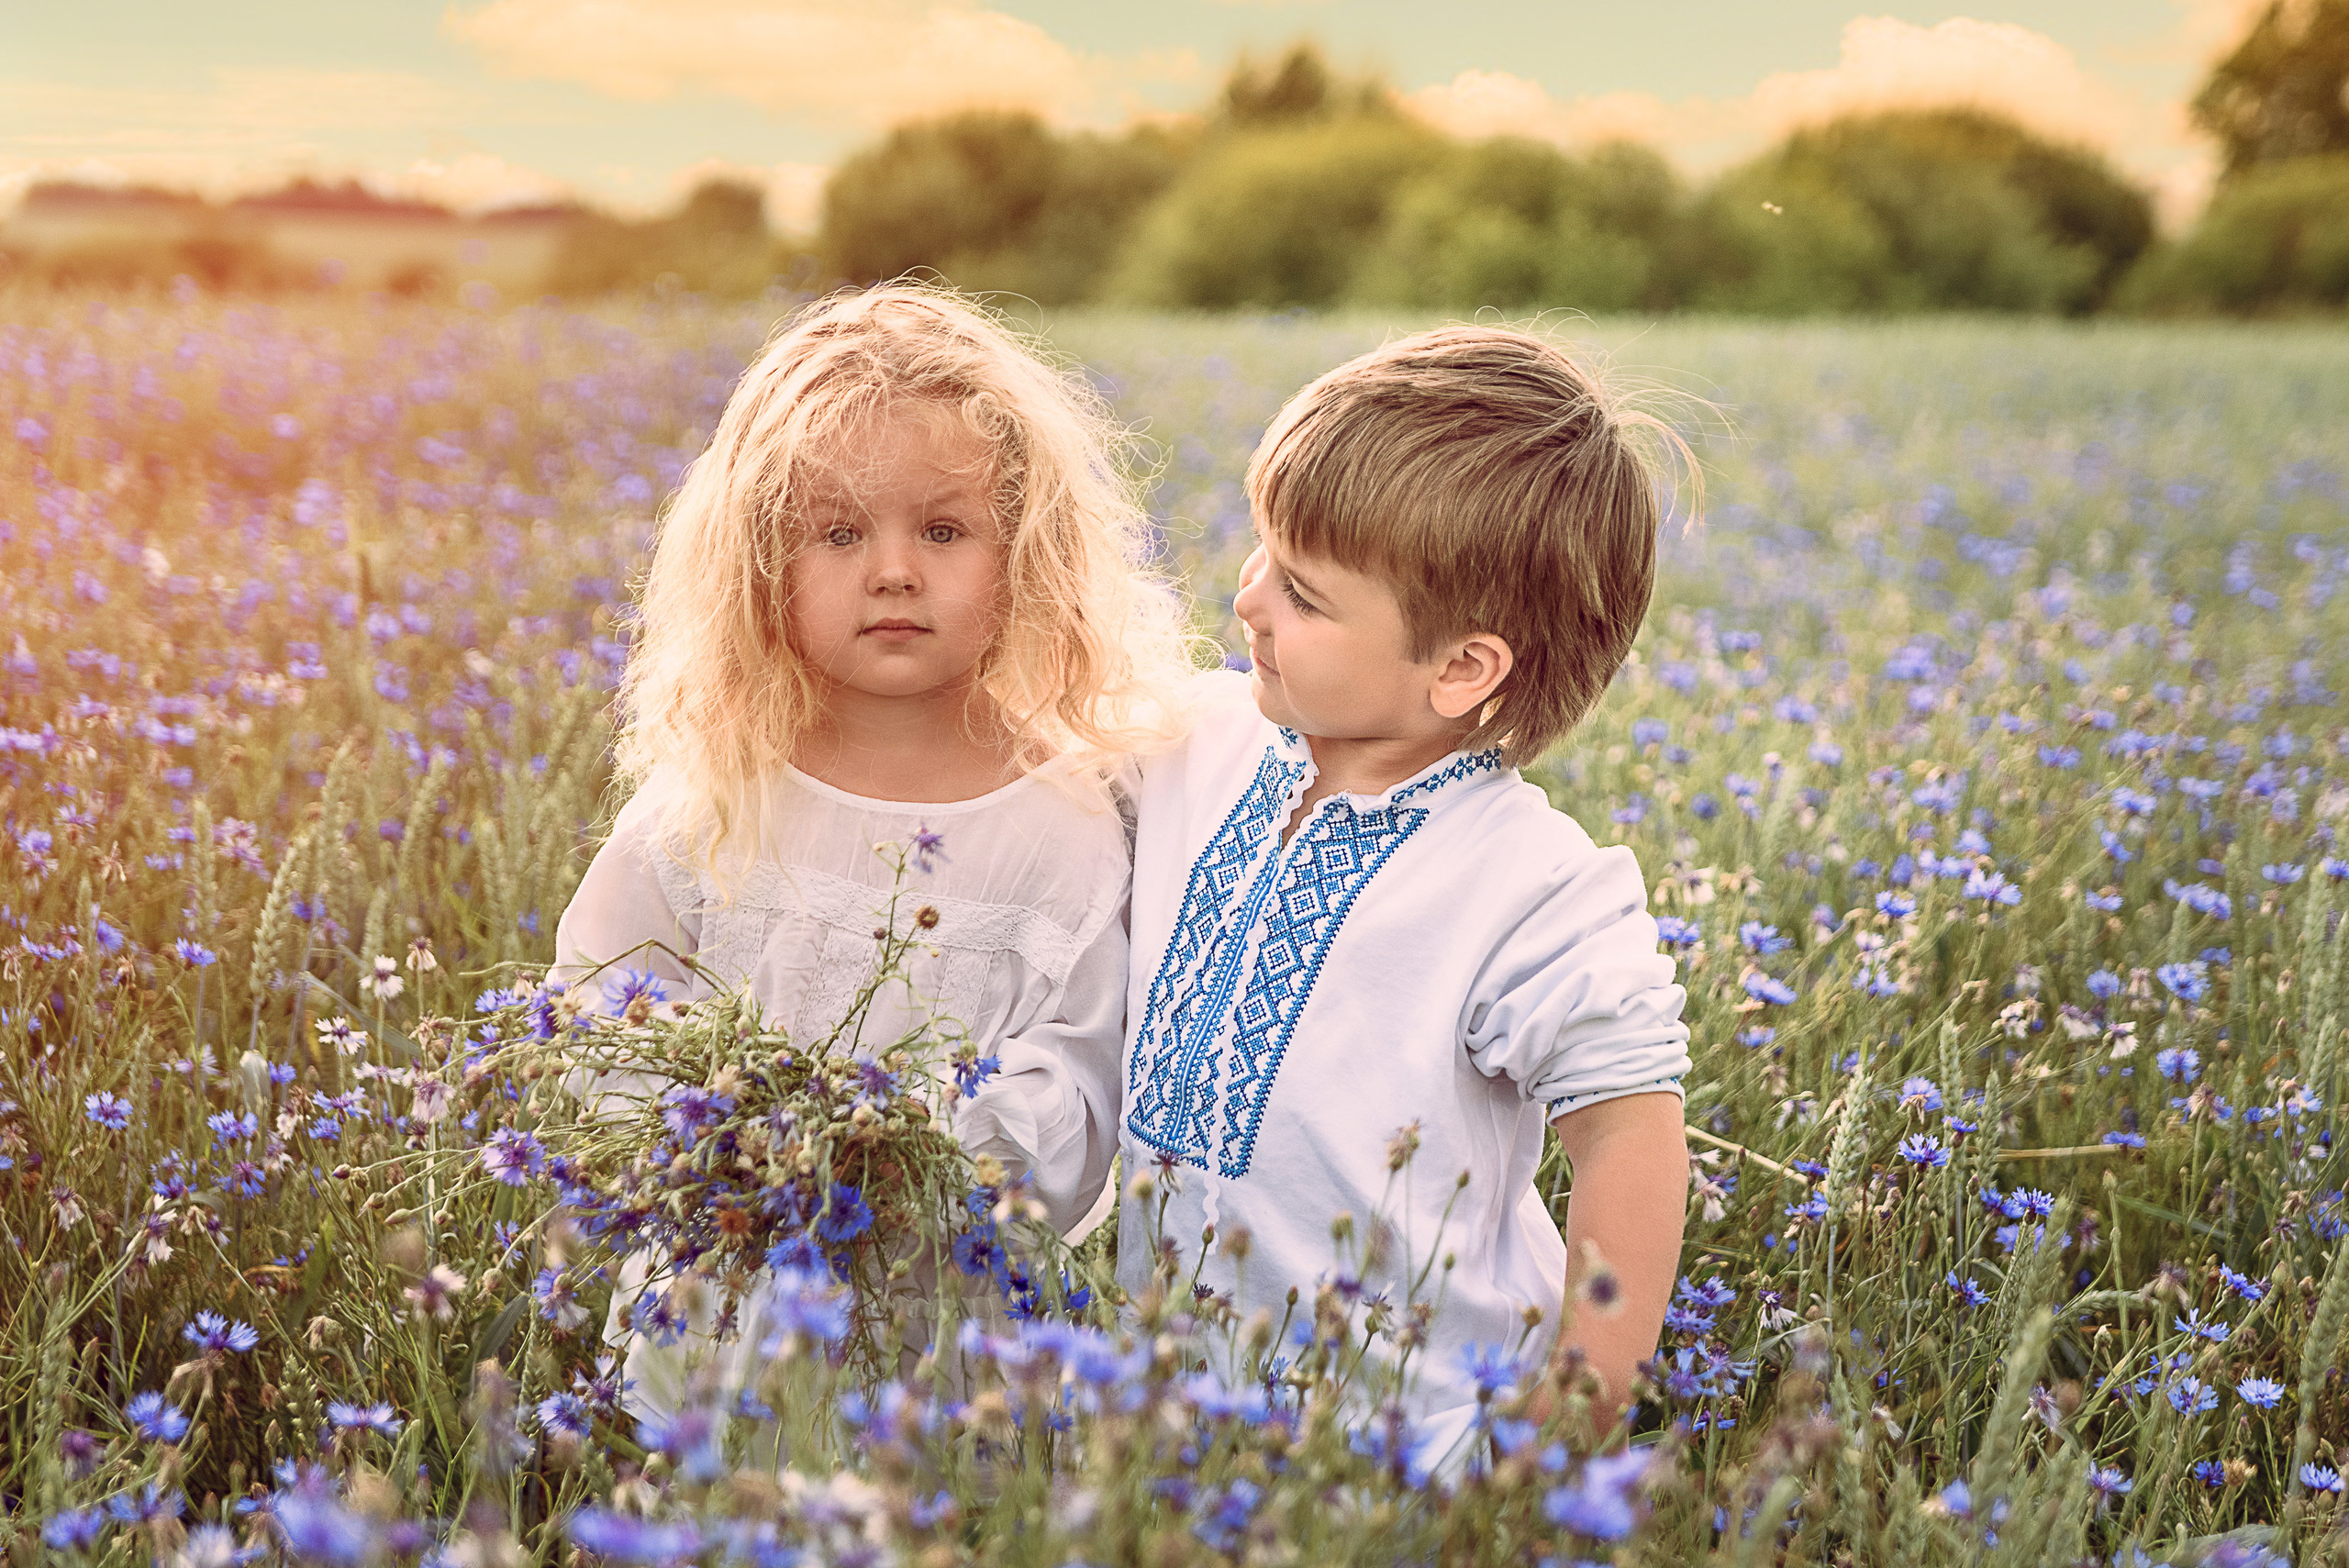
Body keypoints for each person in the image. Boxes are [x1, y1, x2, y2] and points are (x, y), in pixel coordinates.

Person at [553, 284, 1188, 1421]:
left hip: (947, 1333)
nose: (893, 571)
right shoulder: (714, 796)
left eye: (942, 531)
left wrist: (911, 1154)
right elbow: (602, 1003)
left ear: (1022, 555)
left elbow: (1081, 1084)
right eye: (839, 533)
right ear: (764, 561)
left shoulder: (1062, 823)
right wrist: (721, 1144)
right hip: (724, 1296)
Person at [1118, 326, 1693, 1468]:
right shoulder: (1197, 738)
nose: (1248, 598)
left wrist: (1573, 1407)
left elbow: (1628, 1130)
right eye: (1262, 548)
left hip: (1410, 1441)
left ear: (1461, 668)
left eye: (1303, 593)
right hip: (1162, 1417)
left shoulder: (1528, 884)